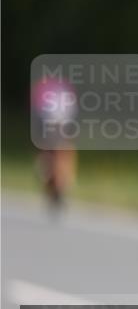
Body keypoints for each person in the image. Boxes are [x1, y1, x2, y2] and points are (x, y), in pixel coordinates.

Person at [30, 76, 78, 213]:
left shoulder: (47, 87)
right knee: (57, 155)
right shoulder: (57, 87)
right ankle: (54, 179)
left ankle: (57, 181)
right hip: (54, 126)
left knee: (59, 155)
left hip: (55, 126)